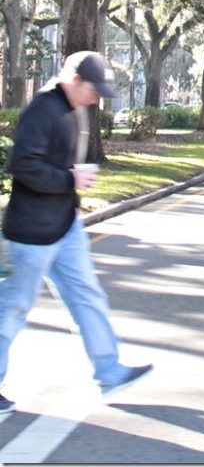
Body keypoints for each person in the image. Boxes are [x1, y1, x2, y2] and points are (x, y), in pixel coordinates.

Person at [0, 51, 153, 414]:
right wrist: (70, 179)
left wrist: (72, 187)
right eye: (93, 89)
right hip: (31, 233)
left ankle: (110, 371)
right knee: (13, 309)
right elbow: (21, 165)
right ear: (74, 80)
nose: (97, 97)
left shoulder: (75, 110)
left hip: (64, 226)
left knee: (87, 296)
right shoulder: (43, 110)